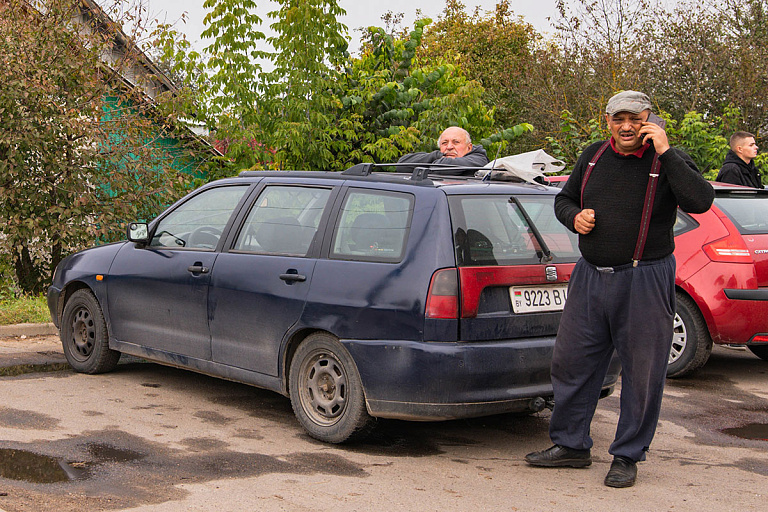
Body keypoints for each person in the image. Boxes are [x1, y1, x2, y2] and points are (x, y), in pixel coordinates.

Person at [524, 91, 714, 488]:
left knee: (643, 372)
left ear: (650, 120)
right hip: (590, 275)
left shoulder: (668, 160)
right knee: (572, 364)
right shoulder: (593, 155)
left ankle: (627, 455)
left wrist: (665, 151)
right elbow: (563, 200)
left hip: (644, 277)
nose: (626, 126)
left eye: (635, 118)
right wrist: (574, 217)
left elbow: (699, 201)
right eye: (618, 119)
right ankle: (571, 446)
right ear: (607, 120)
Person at [397, 126, 489, 174]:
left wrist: (428, 166)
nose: (449, 147)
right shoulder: (437, 157)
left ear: (469, 147)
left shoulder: (479, 159)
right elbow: (401, 165)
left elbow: (442, 168)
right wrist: (436, 156)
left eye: (456, 142)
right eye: (444, 143)